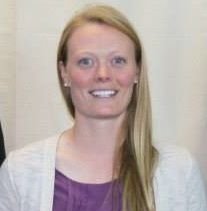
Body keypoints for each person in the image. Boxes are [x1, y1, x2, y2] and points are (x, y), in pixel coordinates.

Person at [0, 4, 206, 211]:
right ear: (64, 72)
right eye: (86, 61)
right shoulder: (20, 172)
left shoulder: (179, 171)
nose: (103, 74)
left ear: (137, 71)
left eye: (118, 60)